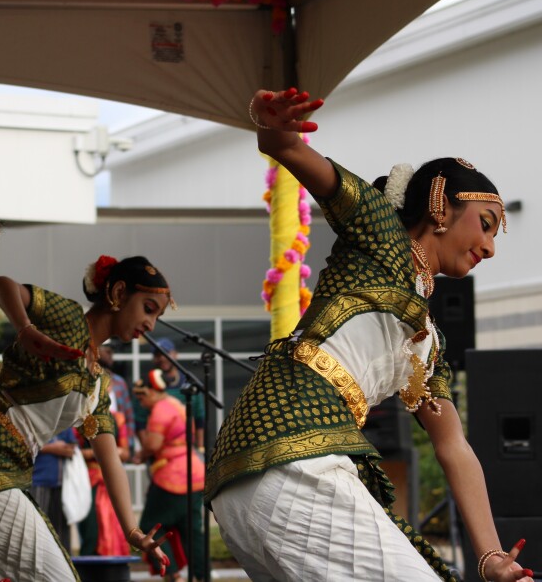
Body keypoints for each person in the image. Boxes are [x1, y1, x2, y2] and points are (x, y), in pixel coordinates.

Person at [205, 88, 533, 582]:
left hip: (259, 473)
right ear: (440, 205)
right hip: (293, 456)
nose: (489, 247)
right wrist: (273, 127)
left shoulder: (430, 344)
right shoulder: (380, 233)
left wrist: (489, 559)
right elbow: (291, 150)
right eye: (485, 225)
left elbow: (453, 446)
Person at [0, 255, 175, 581]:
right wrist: (25, 328)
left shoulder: (98, 382)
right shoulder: (70, 319)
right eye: (148, 308)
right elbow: (2, 285)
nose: (151, 325)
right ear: (118, 293)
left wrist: (131, 530)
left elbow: (109, 458)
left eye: (156, 315)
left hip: (8, 463)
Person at [134, 371, 205, 582]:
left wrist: (140, 454)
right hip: (193, 473)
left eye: (142, 397)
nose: (141, 403)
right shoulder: (175, 404)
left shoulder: (160, 410)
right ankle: (202, 576)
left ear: (153, 392)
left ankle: (172, 574)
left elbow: (153, 444)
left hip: (172, 477)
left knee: (149, 527)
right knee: (191, 531)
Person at [76, 399, 131, 557]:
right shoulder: (79, 418)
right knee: (90, 528)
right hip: (89, 478)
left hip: (111, 477)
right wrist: (110, 452)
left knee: (116, 524)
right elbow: (74, 451)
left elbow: (126, 452)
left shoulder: (118, 418)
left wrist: (101, 453)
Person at [133, 338, 204, 455]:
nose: (162, 358)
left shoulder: (190, 383)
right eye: (157, 355)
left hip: (186, 449)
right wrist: (148, 453)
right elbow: (140, 423)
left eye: (165, 353)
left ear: (175, 354)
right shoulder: (144, 385)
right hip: (157, 451)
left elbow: (199, 419)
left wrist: (200, 448)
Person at [30, 428, 79, 547]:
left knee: (61, 534)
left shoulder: (65, 422)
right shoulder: (35, 420)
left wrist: (52, 448)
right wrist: (52, 448)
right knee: (37, 529)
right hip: (38, 482)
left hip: (62, 485)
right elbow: (25, 445)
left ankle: (65, 564)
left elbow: (72, 449)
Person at [97, 342, 136, 451]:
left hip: (118, 441)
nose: (111, 355)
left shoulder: (119, 382)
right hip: (93, 440)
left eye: (112, 352)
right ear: (96, 350)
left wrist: (129, 443)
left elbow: (129, 417)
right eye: (108, 351)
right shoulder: (86, 381)